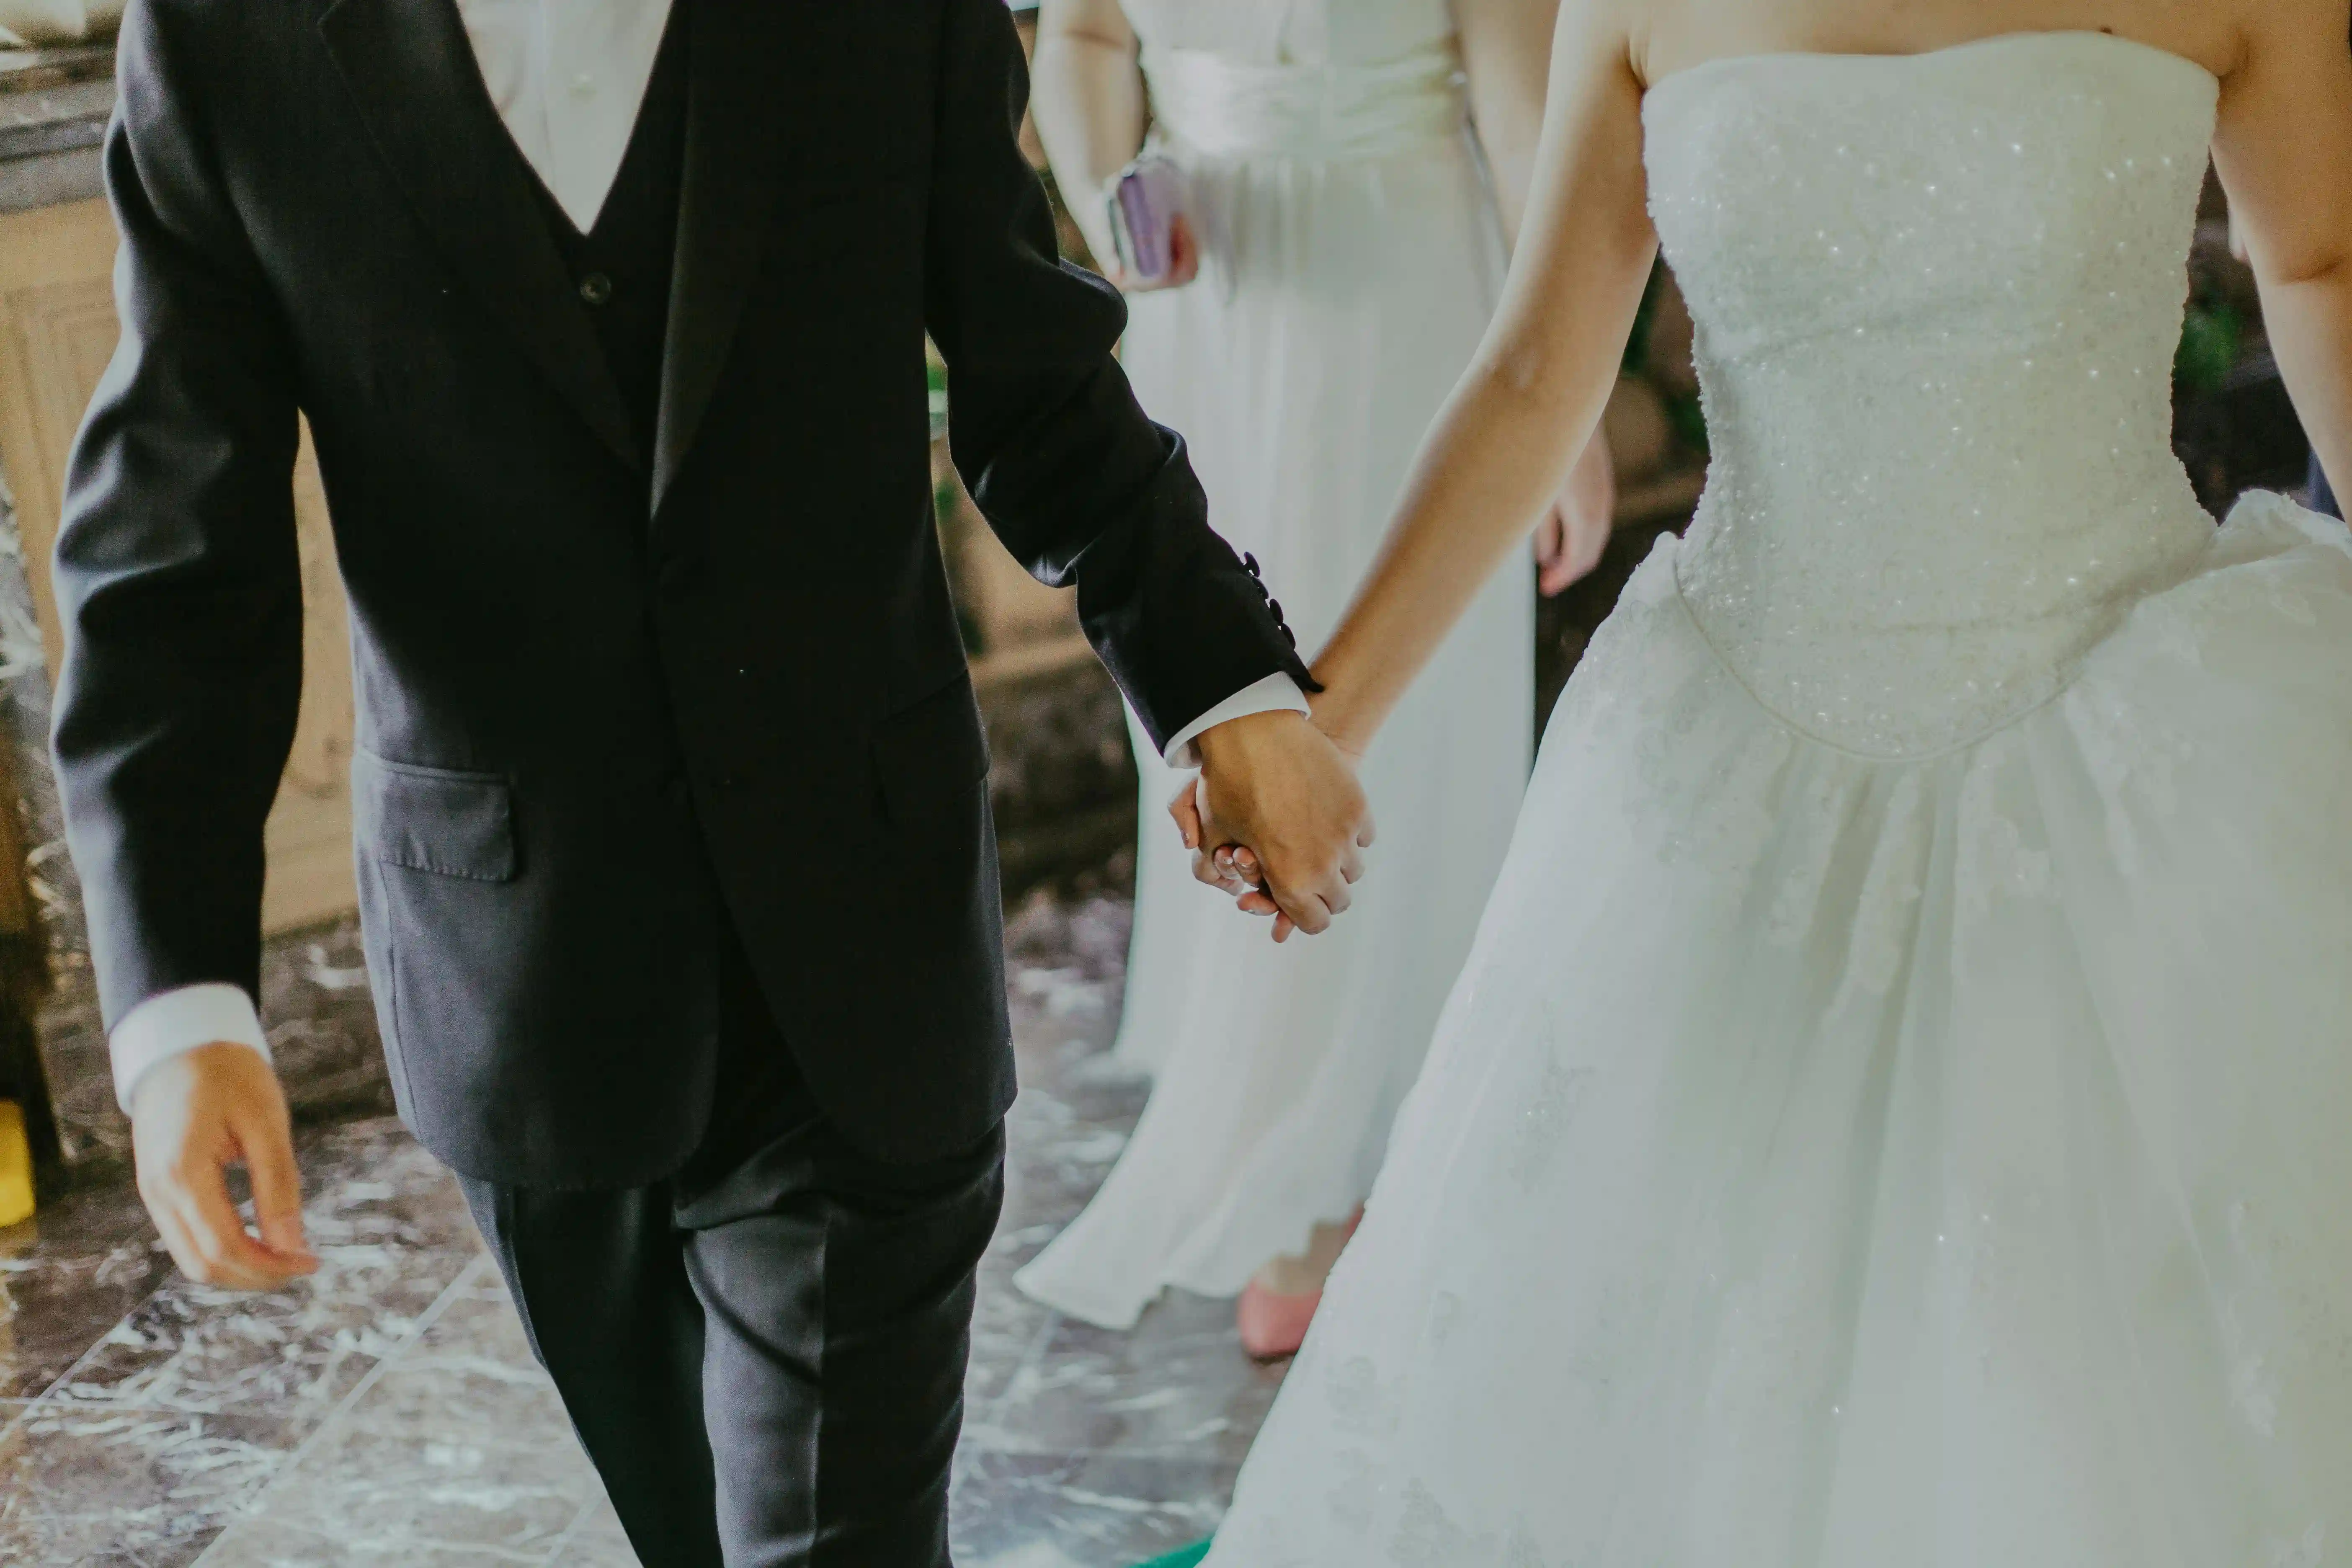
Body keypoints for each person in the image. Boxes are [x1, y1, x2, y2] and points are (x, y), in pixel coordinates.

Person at [47, 1, 1375, 1563]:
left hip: (864, 948)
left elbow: (1038, 380)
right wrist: (178, 1007)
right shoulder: (228, 39)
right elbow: (176, 557)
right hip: (518, 982)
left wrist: (1226, 692)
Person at [1189, 0, 2352, 1558]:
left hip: (2133, 744)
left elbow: (2322, 266)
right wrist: (1320, 722)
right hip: (1728, 766)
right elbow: (1537, 367)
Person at [1012, 0, 1615, 1358]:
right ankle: (1267, 1118)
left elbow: (1525, 122)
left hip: (1404, 308)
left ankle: (1381, 1144)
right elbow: (1087, 39)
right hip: (1202, 316)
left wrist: (1566, 411)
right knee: (1218, 703)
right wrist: (1115, 204)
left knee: (1402, 709)